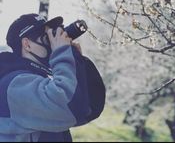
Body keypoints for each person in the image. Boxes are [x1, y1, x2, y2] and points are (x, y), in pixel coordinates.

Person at [0, 14, 106, 142]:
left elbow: (88, 108)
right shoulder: (14, 85)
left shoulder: (37, 82)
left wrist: (76, 60)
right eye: (46, 38)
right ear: (27, 45)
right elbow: (71, 107)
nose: (51, 43)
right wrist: (62, 53)